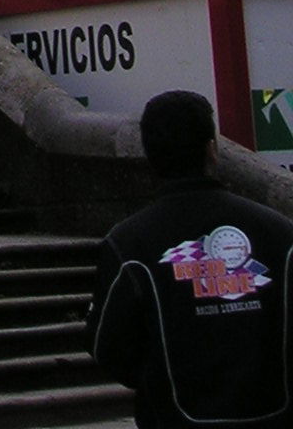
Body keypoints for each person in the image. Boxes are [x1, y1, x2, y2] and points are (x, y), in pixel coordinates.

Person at [88, 89, 293, 428]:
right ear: (212, 150)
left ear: (150, 156)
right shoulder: (280, 233)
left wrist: (158, 380)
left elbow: (106, 348)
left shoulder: (130, 244)